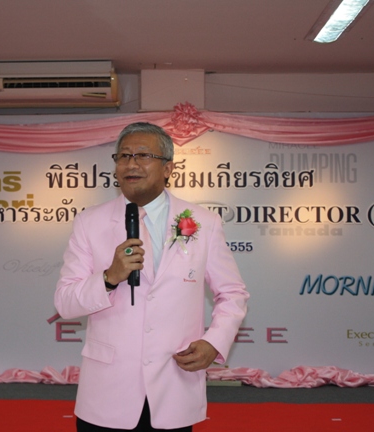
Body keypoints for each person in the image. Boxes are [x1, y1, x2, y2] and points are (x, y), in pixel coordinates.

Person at [55, 122, 248, 431]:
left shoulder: (203, 222)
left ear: (168, 168)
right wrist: (109, 277)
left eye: (143, 155)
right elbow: (65, 303)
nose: (131, 164)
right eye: (124, 156)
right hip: (107, 393)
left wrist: (214, 342)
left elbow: (233, 293)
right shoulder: (89, 222)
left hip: (174, 383)